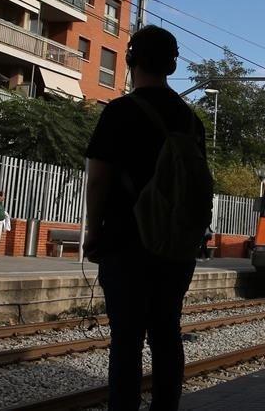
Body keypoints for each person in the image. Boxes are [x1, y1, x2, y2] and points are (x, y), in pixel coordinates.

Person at [84, 25, 211, 410]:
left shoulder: (120, 112)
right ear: (172, 65)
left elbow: (99, 180)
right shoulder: (191, 121)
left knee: (126, 341)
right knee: (166, 334)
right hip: (175, 248)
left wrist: (93, 233)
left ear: (130, 60)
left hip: (126, 242)